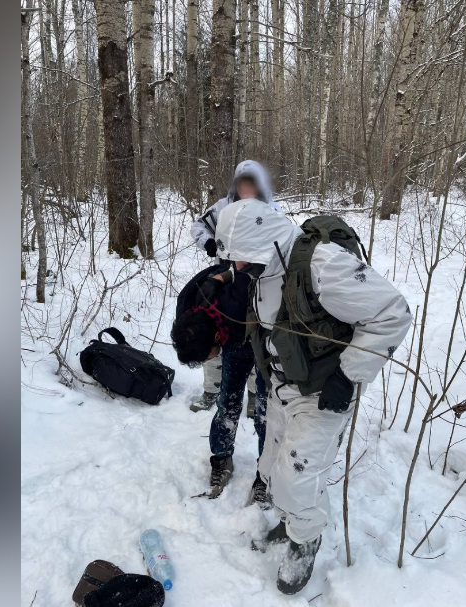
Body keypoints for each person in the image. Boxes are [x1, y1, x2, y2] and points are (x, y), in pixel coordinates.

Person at [213, 200, 412, 595]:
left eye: (242, 259)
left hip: (324, 391)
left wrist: (349, 374)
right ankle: (291, 525)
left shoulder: (323, 265)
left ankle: (306, 539)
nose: (237, 269)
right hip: (283, 385)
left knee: (296, 479)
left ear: (265, 244)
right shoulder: (261, 266)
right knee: (270, 469)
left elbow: (393, 312)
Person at [187, 160, 282, 414]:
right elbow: (198, 226)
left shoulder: (272, 210)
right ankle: (211, 391)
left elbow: (283, 243)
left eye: (252, 183)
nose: (247, 189)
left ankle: (253, 396)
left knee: (252, 340)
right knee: (213, 335)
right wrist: (208, 243)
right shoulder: (223, 207)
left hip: (259, 284)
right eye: (242, 183)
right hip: (223, 280)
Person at [170, 263, 269, 504]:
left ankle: (266, 475)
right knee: (228, 402)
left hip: (264, 335)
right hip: (232, 337)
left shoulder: (237, 303)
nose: (207, 360)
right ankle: (222, 458)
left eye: (206, 355)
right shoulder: (188, 309)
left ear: (216, 338)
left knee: (266, 411)